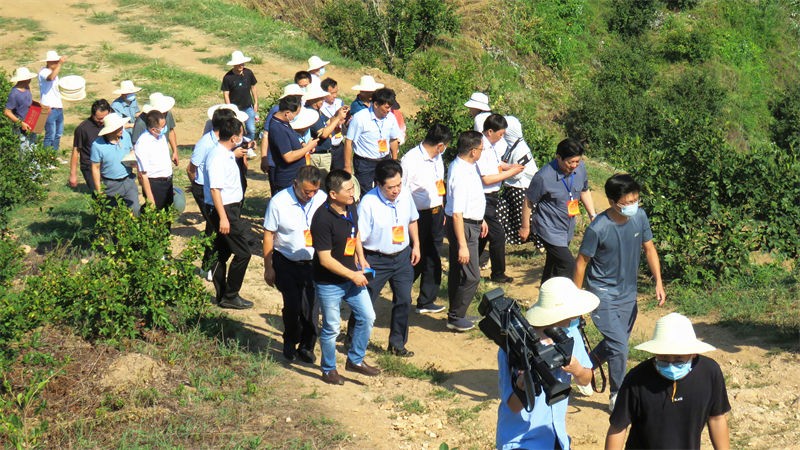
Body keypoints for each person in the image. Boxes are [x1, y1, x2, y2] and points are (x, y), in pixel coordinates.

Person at [573, 174, 666, 411]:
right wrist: (574, 300)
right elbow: (582, 262)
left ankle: (584, 366)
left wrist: (658, 281)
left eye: (636, 199)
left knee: (617, 342)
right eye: (628, 201)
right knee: (620, 345)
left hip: (628, 293)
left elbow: (649, 248)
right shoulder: (598, 228)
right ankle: (618, 394)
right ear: (613, 202)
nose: (633, 205)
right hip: (602, 293)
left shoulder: (640, 217)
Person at [496, 277, 597, 450]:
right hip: (522, 441)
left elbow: (587, 379)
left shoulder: (570, 334)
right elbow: (513, 405)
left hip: (555, 436)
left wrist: (577, 370)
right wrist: (524, 385)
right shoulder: (513, 347)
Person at [605, 313, 730, 450]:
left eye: (678, 358)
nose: (670, 364)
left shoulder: (709, 373)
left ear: (693, 353)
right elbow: (618, 426)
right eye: (663, 357)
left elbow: (717, 418)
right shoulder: (637, 379)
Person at [310, 169, 379, 385]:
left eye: (353, 188)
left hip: (352, 276)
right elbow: (325, 259)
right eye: (348, 189)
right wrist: (352, 275)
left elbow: (355, 234)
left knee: (368, 316)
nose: (353, 193)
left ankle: (355, 360)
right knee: (331, 327)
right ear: (333, 194)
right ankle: (329, 369)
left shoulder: (351, 208)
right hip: (329, 282)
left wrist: (361, 258)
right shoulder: (322, 219)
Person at [353, 159, 420, 357]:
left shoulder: (405, 194)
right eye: (391, 187)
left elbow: (412, 220)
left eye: (399, 184)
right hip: (376, 260)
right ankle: (353, 338)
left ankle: (397, 345)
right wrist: (361, 259)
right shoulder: (368, 203)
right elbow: (357, 235)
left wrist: (416, 245)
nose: (396, 190)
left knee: (404, 300)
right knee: (365, 301)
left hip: (402, 258)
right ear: (379, 184)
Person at [263, 165, 327, 363]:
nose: (310, 195)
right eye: (307, 191)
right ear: (295, 184)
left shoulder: (322, 199)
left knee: (312, 310)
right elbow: (268, 234)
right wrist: (268, 266)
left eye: (314, 191)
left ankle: (307, 346)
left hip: (314, 264)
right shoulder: (279, 202)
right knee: (292, 307)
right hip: (286, 262)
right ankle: (290, 340)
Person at [524, 138, 597, 283]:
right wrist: (525, 226)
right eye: (571, 162)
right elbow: (529, 201)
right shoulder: (543, 177)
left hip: (567, 227)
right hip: (548, 228)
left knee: (553, 265)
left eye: (577, 161)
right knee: (568, 264)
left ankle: (545, 296)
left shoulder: (580, 169)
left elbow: (584, 190)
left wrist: (592, 215)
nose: (575, 165)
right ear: (558, 157)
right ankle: (565, 297)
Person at [188, 105, 248, 278]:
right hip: (212, 195)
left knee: (218, 238)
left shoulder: (225, 149)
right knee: (215, 234)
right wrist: (200, 188)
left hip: (221, 197)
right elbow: (192, 169)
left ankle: (212, 271)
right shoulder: (209, 146)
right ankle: (209, 269)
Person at [400, 123, 451, 314]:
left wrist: (442, 207)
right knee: (416, 255)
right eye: (444, 145)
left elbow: (440, 185)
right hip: (417, 216)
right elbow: (402, 190)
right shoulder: (411, 159)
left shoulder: (438, 158)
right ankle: (402, 291)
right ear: (440, 145)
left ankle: (427, 300)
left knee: (434, 255)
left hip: (436, 212)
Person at [204, 116, 253, 309]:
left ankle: (222, 294)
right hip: (225, 210)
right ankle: (230, 295)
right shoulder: (217, 157)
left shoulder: (225, 153)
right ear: (233, 138)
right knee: (243, 253)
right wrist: (224, 217)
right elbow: (216, 189)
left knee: (220, 252)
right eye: (240, 134)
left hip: (228, 208)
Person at [444, 131, 488, 332]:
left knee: (458, 272)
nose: (482, 152)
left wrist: (482, 218)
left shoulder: (467, 166)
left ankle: (456, 313)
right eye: (480, 149)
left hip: (472, 223)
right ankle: (455, 316)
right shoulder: (460, 174)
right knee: (472, 276)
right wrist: (462, 245)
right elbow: (457, 213)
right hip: (465, 227)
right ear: (472, 151)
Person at [476, 114, 523, 283]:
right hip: (484, 197)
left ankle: (470, 266)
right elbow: (487, 178)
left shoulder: (491, 146)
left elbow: (497, 165)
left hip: (492, 197)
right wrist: (511, 173)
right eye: (500, 134)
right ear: (490, 131)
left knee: (483, 235)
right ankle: (498, 273)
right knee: (497, 235)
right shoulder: (480, 148)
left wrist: (509, 166)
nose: (502, 137)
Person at [344, 87, 401, 196]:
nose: (389, 110)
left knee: (386, 191)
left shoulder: (391, 118)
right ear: (376, 104)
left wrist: (394, 160)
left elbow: (393, 139)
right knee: (367, 193)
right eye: (386, 107)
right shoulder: (360, 118)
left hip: (384, 160)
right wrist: (347, 166)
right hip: (365, 163)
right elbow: (349, 142)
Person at [89, 113, 140, 215]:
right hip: (111, 184)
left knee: (135, 209)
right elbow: (95, 167)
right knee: (111, 213)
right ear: (110, 130)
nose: (122, 129)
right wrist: (99, 190)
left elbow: (131, 151)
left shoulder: (125, 136)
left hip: (128, 180)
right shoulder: (97, 146)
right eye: (118, 128)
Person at [259, 83, 305, 193]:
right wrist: (264, 158)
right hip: (276, 161)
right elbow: (266, 134)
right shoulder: (277, 113)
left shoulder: (289, 115)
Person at [500, 116, 538, 245]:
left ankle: (540, 244)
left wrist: (499, 172)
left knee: (525, 218)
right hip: (512, 188)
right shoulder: (512, 146)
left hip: (522, 188)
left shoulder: (520, 149)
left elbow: (517, 173)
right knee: (508, 217)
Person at [268, 95, 319, 192]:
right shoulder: (278, 129)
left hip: (295, 176)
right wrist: (308, 148)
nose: (296, 117)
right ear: (287, 113)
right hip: (288, 179)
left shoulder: (283, 122)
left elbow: (291, 139)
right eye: (296, 114)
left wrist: (303, 144)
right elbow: (288, 157)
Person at [305, 84, 348, 176]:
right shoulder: (310, 113)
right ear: (314, 99)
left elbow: (329, 121)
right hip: (317, 155)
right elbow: (323, 134)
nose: (323, 101)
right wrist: (337, 118)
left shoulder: (318, 112)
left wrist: (338, 114)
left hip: (324, 154)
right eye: (321, 99)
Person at [134, 110, 173, 211]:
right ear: (153, 130)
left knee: (167, 216)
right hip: (155, 184)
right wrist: (150, 198)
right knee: (156, 217)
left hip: (167, 182)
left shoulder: (161, 136)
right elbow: (143, 175)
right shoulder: (143, 143)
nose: (165, 128)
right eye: (163, 126)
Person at [70, 99, 112, 191]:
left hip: (107, 164)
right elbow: (76, 151)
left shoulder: (110, 124)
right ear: (93, 115)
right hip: (89, 166)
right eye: (99, 119)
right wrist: (73, 174)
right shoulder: (82, 129)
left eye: (105, 117)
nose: (102, 121)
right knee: (98, 196)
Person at [132, 93, 179, 166]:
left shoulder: (167, 114)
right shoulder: (140, 123)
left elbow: (170, 131)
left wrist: (175, 151)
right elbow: (136, 147)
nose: (165, 113)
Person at [221, 50, 259, 141]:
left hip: (248, 106)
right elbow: (226, 93)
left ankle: (248, 144)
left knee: (251, 129)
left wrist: (256, 103)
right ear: (234, 65)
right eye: (239, 64)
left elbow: (253, 88)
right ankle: (241, 145)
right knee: (237, 130)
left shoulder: (248, 73)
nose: (241, 66)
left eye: (242, 63)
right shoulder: (228, 77)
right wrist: (230, 107)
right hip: (235, 108)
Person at [38, 50, 66, 150]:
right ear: (49, 62)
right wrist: (60, 64)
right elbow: (51, 78)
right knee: (50, 134)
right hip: (49, 107)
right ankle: (46, 159)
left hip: (58, 107)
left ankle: (53, 156)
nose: (56, 63)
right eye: (55, 61)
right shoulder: (43, 72)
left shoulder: (53, 72)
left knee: (58, 134)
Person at [4, 67, 37, 147]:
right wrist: (21, 123)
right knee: (24, 153)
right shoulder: (14, 94)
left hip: (31, 123)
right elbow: (7, 112)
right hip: (21, 129)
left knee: (33, 150)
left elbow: (28, 102)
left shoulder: (27, 88)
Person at [319, 78, 346, 171]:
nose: (335, 96)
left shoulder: (339, 102)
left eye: (336, 92)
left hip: (339, 144)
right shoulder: (320, 107)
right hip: (328, 146)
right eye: (332, 93)